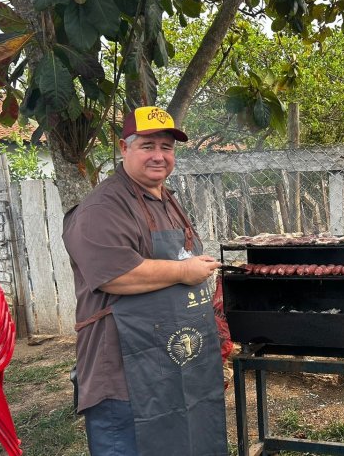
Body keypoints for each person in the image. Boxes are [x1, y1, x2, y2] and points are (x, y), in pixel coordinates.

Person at [63, 106, 228, 456]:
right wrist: (186, 272)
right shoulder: (102, 208)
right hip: (126, 368)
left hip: (174, 360)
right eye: (147, 145)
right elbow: (117, 276)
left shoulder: (166, 199)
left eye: (166, 147)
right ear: (125, 148)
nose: (159, 156)